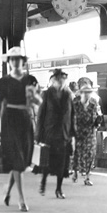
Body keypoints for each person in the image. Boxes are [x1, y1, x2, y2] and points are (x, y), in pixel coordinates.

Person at [0, 47, 35, 212]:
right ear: (9, 62)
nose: (15, 62)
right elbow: (0, 105)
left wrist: (36, 122)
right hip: (9, 120)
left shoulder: (30, 79)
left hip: (25, 119)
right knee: (17, 159)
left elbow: (33, 102)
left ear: (23, 61)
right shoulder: (3, 82)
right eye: (12, 59)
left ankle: (7, 189)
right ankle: (21, 198)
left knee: (22, 161)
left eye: (18, 59)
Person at [36, 69, 75, 199]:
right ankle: (43, 182)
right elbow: (41, 115)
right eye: (59, 80)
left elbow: (72, 115)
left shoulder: (68, 95)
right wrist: (38, 135)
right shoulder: (46, 94)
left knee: (62, 163)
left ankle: (59, 189)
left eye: (63, 80)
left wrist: (73, 133)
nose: (61, 82)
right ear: (54, 81)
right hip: (49, 132)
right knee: (47, 161)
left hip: (64, 134)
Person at [72, 77, 103, 186]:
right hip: (78, 131)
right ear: (81, 92)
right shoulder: (75, 102)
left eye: (89, 92)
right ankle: (75, 172)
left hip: (90, 131)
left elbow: (98, 115)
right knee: (77, 153)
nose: (87, 94)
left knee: (91, 153)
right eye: (85, 92)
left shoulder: (94, 102)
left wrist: (99, 120)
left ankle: (87, 177)